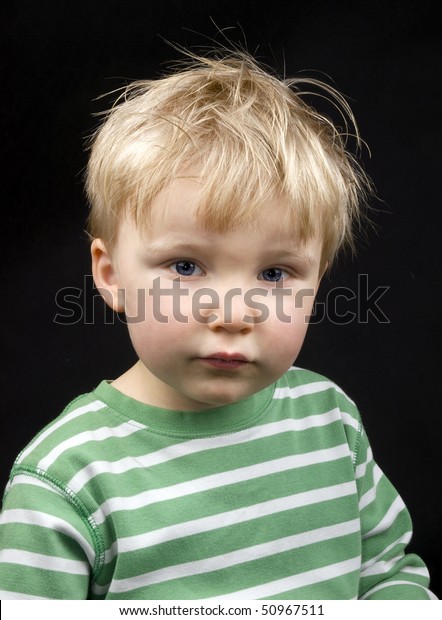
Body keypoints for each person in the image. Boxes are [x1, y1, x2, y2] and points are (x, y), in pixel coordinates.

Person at [0, 51, 436, 600]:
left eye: (275, 273)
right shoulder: (66, 479)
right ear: (110, 274)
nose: (233, 313)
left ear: (318, 281)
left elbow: (389, 579)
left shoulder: (330, 423)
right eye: (185, 266)